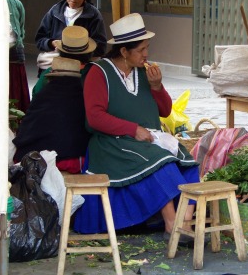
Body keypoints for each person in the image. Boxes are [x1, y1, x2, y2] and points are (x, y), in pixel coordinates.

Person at [73, 13, 200, 243]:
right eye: (141, 49)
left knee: (188, 161)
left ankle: (185, 223)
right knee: (160, 163)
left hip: (148, 139)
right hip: (113, 143)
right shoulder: (98, 73)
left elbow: (165, 110)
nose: (146, 54)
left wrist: (157, 86)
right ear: (123, 51)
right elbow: (94, 118)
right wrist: (133, 130)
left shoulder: (144, 72)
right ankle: (172, 225)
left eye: (147, 48)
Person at [12, 56, 91, 173]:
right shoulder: (83, 95)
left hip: (37, 159)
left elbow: (27, 128)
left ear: (52, 76)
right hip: (74, 161)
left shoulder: (42, 95)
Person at [34, 0, 107, 77]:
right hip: (56, 56)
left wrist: (80, 51)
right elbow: (40, 39)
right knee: (44, 61)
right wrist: (51, 43)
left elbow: (101, 47)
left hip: (83, 60)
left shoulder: (93, 15)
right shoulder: (55, 11)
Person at [31, 25, 95, 98]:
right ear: (89, 53)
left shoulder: (49, 72)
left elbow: (35, 95)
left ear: (61, 51)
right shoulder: (94, 74)